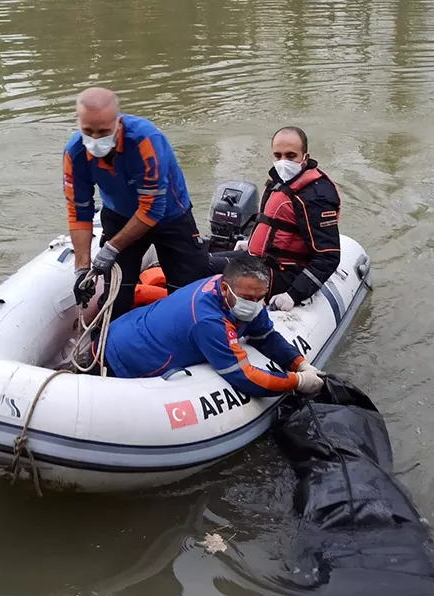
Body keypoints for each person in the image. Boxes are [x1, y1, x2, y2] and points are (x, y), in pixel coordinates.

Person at [63, 87, 208, 321]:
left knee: (188, 296)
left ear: (118, 122)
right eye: (88, 131)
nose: (96, 139)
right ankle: (106, 347)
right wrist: (82, 268)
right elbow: (78, 211)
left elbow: (153, 208)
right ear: (78, 123)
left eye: (103, 131)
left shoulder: (145, 140)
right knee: (116, 298)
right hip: (119, 215)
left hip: (170, 216)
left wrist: (112, 248)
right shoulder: (75, 152)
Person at [98, 256, 324, 397]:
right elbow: (245, 378)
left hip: (131, 330)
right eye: (248, 297)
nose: (255, 304)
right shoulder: (209, 321)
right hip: (120, 358)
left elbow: (265, 335)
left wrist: (300, 363)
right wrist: (297, 382)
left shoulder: (241, 297)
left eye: (260, 297)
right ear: (225, 289)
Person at [210, 126, 341, 311]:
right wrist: (252, 242)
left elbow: (328, 256)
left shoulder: (316, 197)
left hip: (285, 274)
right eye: (277, 155)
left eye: (291, 155)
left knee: (204, 271)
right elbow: (274, 224)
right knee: (200, 262)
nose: (283, 162)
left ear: (305, 156)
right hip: (259, 260)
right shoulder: (278, 181)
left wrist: (293, 294)